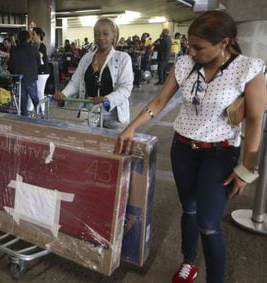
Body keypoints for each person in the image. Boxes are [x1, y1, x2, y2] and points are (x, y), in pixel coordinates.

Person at [114, 11, 266, 283]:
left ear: (224, 43)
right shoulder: (184, 64)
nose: (191, 51)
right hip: (183, 149)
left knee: (208, 223)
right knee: (190, 209)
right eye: (189, 46)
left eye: (199, 47)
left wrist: (247, 166)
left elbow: (255, 118)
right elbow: (159, 102)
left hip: (220, 153)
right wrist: (132, 126)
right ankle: (189, 261)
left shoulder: (248, 69)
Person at [54, 17, 133, 130]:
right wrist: (64, 94)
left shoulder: (123, 58)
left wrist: (107, 99)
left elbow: (125, 88)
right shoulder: (86, 58)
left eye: (105, 34)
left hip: (114, 118)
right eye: (97, 34)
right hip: (90, 114)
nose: (101, 37)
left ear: (113, 37)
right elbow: (75, 82)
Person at [8, 30, 40, 116]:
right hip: (31, 78)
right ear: (28, 38)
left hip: (19, 78)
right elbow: (39, 63)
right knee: (35, 99)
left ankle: (24, 119)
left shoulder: (14, 50)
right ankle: (40, 116)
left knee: (23, 101)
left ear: (19, 38)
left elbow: (10, 66)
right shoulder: (34, 49)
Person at [27, 27, 50, 115]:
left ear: (39, 35)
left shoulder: (42, 46)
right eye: (31, 35)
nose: (32, 36)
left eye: (33, 34)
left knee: (40, 91)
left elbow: (39, 56)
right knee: (32, 90)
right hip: (35, 72)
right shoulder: (33, 46)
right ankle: (30, 109)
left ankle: (42, 112)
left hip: (43, 72)